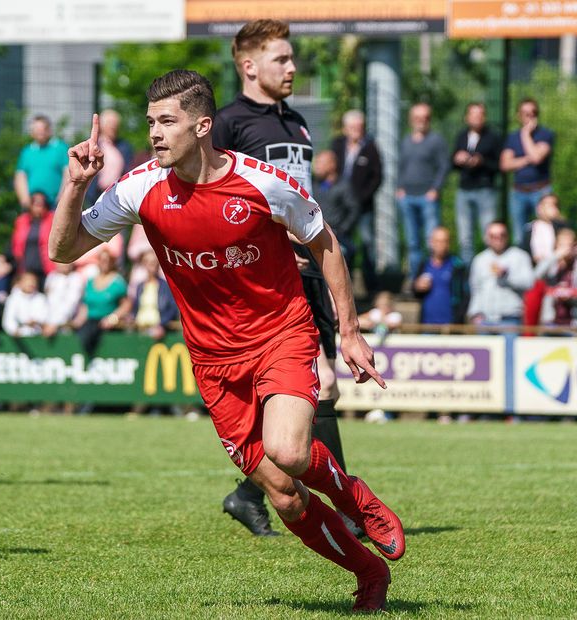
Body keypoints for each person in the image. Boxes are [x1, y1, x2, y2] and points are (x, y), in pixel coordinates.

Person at [50, 70, 402, 613]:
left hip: (281, 335)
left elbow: (324, 241)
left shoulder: (261, 182)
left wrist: (350, 332)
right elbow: (63, 250)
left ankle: (355, 497)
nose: (155, 134)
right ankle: (369, 572)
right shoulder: (140, 188)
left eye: (167, 122)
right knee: (283, 496)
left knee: (288, 451)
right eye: (150, 123)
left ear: (203, 125)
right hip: (214, 362)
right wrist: (74, 184)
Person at [211, 18, 357, 539]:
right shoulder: (225, 123)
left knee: (322, 393)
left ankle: (248, 494)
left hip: (308, 270)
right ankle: (348, 509)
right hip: (267, 278)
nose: (292, 67)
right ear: (249, 66)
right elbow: (212, 201)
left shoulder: (297, 124)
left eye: (292, 59)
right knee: (324, 388)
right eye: (282, 59)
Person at [331, 110, 383, 293]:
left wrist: (360, 199)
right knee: (341, 242)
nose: (356, 131)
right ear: (345, 129)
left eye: (359, 127)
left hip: (363, 206)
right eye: (352, 127)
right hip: (342, 206)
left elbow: (377, 177)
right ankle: (344, 284)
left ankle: (371, 287)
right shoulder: (337, 145)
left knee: (367, 243)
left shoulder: (370, 148)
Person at [396, 103, 449, 276]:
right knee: (412, 241)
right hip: (407, 196)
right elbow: (400, 166)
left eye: (425, 117)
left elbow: (443, 166)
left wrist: (435, 189)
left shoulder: (436, 140)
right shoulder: (406, 141)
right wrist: (400, 187)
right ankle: (415, 279)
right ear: (412, 120)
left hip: (428, 197)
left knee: (431, 241)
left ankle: (432, 276)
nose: (421, 121)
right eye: (417, 118)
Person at [452, 102, 503, 263]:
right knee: (465, 237)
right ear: (467, 117)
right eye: (473, 114)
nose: (476, 118)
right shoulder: (461, 136)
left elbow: (499, 165)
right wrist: (457, 159)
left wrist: (481, 161)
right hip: (464, 189)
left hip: (485, 189)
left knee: (489, 235)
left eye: (480, 114)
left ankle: (489, 271)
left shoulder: (493, 137)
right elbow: (452, 163)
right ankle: (469, 277)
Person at [501, 98, 555, 243]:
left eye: (533, 113)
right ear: (519, 115)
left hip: (541, 190)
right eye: (525, 113)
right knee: (519, 235)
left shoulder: (545, 134)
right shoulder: (512, 137)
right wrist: (527, 158)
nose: (530, 116)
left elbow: (537, 158)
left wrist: (525, 135)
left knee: (545, 231)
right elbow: (505, 164)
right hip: (518, 192)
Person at [467, 221, 534, 327]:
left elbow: (529, 283)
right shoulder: (479, 260)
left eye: (502, 235)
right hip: (484, 319)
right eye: (493, 236)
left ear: (508, 236)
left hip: (511, 318)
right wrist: (474, 312)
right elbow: (475, 289)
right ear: (487, 238)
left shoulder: (520, 256)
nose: (498, 239)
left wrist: (506, 277)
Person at [413, 227, 469, 325]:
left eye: (444, 241)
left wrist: (457, 320)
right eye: (437, 241)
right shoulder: (424, 264)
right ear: (431, 242)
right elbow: (415, 293)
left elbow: (465, 296)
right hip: (427, 326)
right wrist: (417, 287)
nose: (440, 245)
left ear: (449, 243)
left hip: (450, 326)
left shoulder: (457, 265)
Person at [14, 115, 68, 209]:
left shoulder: (60, 148)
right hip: (32, 205)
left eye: (43, 128)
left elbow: (68, 173)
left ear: (49, 130)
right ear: (31, 132)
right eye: (36, 129)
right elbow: (20, 176)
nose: (40, 131)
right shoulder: (27, 152)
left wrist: (63, 197)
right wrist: (24, 199)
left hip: (55, 205)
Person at [9, 191, 55, 283]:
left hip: (47, 270)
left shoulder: (53, 219)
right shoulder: (21, 221)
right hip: (25, 270)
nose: (39, 207)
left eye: (41, 204)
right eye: (36, 204)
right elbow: (13, 244)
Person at [42, 261, 84, 337]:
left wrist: (55, 324)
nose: (64, 265)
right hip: (49, 325)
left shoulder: (76, 278)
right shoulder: (51, 277)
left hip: (66, 325)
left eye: (66, 262)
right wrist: (46, 322)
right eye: (61, 262)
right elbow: (47, 302)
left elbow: (72, 304)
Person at [1, 272, 49, 337]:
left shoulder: (41, 298)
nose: (31, 283)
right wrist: (14, 330)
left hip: (38, 336)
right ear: (20, 283)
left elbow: (44, 317)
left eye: (33, 281)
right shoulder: (12, 298)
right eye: (27, 280)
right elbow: (8, 319)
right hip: (18, 337)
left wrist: (36, 322)